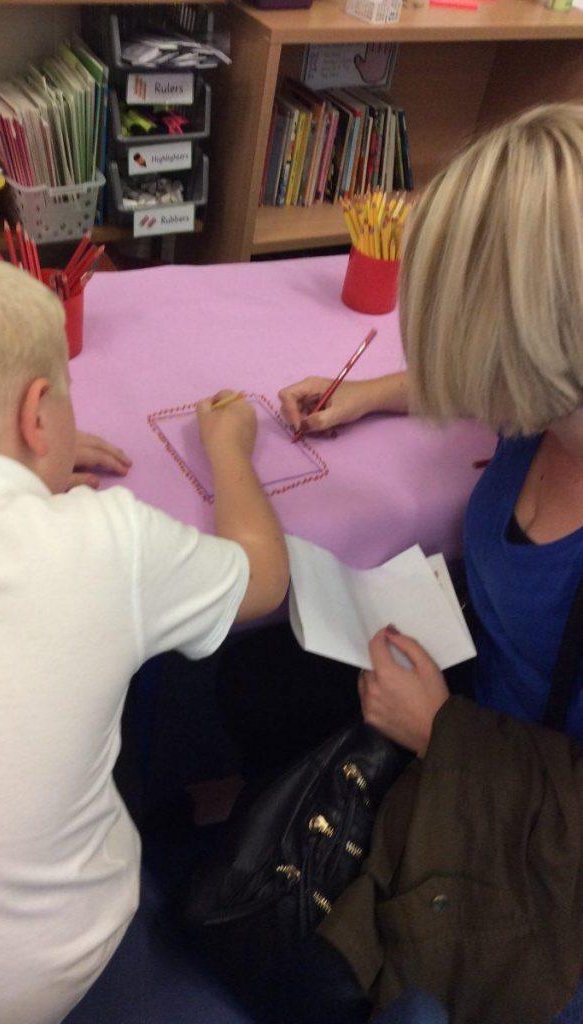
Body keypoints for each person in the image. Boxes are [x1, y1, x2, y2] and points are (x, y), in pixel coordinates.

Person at [0, 246, 290, 1024]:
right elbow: (263, 576)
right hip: (35, 985)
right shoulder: (107, 540)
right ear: (37, 415)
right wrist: (227, 447)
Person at [219, 103, 583, 1021]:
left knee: (320, 980)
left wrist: (438, 735)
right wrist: (368, 396)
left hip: (524, 820)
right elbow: (501, 376)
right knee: (251, 677)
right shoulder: (546, 403)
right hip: (472, 719)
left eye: (467, 336)